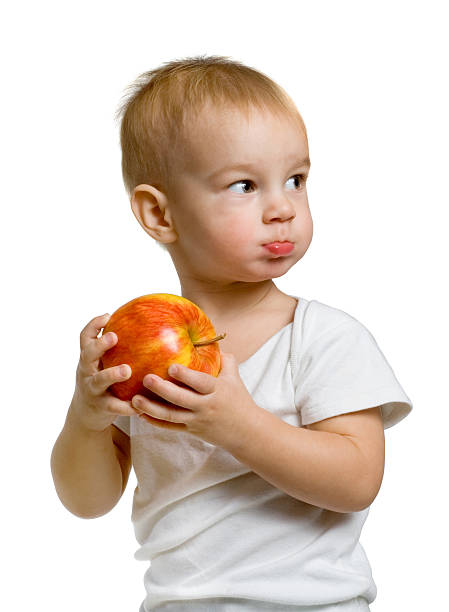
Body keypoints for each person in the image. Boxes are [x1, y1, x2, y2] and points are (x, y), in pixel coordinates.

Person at [50, 55, 413, 612]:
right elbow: (87, 501)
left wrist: (239, 425)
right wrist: (87, 417)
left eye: (296, 180)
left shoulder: (321, 337)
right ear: (159, 215)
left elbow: (358, 479)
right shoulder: (139, 356)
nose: (281, 208)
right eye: (244, 185)